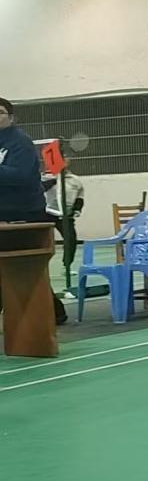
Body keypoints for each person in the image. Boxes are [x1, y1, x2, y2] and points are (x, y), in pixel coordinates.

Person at [0, 97, 68, 324]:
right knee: (16, 270)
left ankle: (50, 312)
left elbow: (20, 175)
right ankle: (52, 311)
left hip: (24, 215)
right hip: (2, 215)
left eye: (0, 112)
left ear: (11, 117)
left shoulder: (21, 143)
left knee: (27, 268)